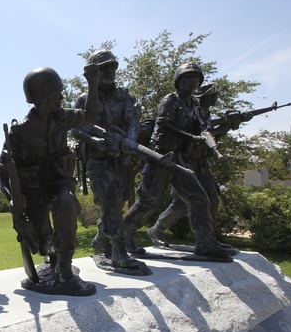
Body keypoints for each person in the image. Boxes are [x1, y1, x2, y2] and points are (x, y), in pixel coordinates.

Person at [0, 67, 97, 295]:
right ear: (45, 98)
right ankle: (52, 255)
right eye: (57, 94)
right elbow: (3, 175)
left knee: (66, 202)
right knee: (42, 244)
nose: (62, 97)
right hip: (33, 192)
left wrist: (93, 83)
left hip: (59, 182)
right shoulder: (18, 133)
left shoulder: (62, 118)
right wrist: (12, 200)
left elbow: (91, 115)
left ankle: (64, 267)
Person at [123, 63, 237, 259]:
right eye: (186, 78)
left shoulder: (194, 105)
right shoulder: (170, 101)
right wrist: (191, 137)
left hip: (180, 158)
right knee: (148, 201)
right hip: (160, 157)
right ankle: (122, 238)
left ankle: (205, 243)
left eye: (195, 78)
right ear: (178, 81)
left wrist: (223, 127)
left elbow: (201, 130)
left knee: (199, 198)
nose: (191, 81)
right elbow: (164, 125)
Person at [146, 82, 248, 247]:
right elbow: (194, 134)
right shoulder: (192, 113)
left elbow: (210, 139)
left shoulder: (205, 115)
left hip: (201, 162)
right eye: (213, 95)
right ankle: (159, 230)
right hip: (186, 162)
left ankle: (208, 238)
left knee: (212, 198)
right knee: (185, 202)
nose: (216, 98)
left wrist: (227, 128)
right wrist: (223, 127)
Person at [71, 50, 145, 270]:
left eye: (112, 67)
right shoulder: (85, 99)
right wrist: (95, 141)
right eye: (104, 68)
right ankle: (119, 252)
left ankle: (101, 238)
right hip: (97, 160)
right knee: (110, 202)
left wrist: (128, 142)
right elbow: (75, 128)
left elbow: (133, 120)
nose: (109, 71)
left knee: (119, 201)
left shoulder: (124, 96)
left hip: (120, 159)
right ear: (95, 72)